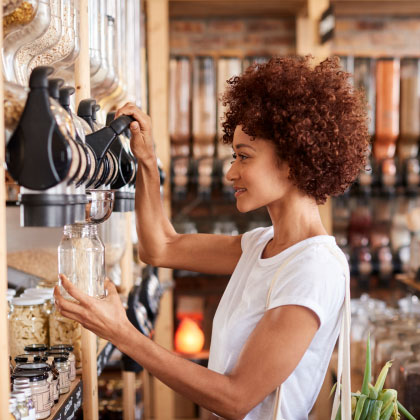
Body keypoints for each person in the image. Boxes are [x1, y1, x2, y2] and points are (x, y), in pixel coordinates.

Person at [55, 55, 369, 420]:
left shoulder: (312, 269)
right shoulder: (262, 246)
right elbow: (161, 248)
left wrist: (122, 333)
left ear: (292, 161)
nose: (230, 172)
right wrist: (146, 159)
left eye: (243, 157)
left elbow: (236, 399)